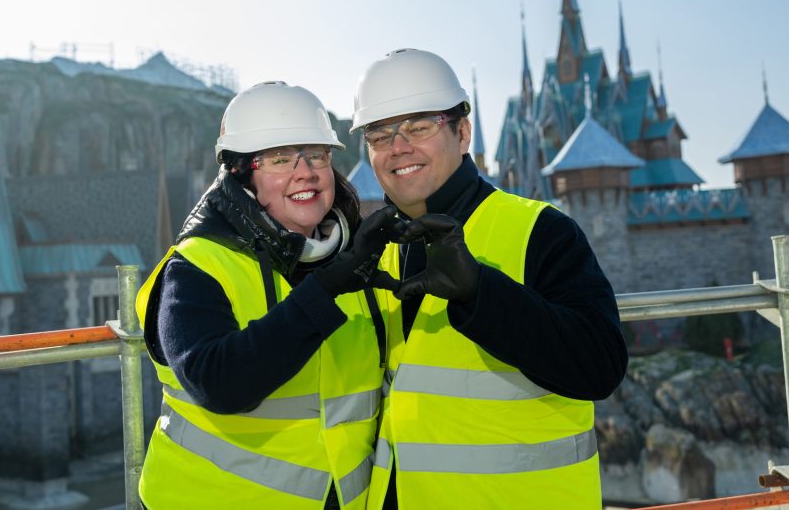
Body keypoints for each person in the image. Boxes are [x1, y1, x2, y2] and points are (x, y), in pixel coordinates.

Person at [353, 49, 629, 509]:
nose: (398, 147)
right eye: (380, 136)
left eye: (419, 128)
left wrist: (481, 293)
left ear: (463, 133)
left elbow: (599, 365)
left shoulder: (540, 229)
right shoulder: (378, 246)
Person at [134, 81, 401, 509]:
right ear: (242, 174)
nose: (306, 171)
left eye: (317, 155)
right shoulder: (197, 267)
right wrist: (325, 290)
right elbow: (219, 383)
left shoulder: (356, 262)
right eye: (280, 159)